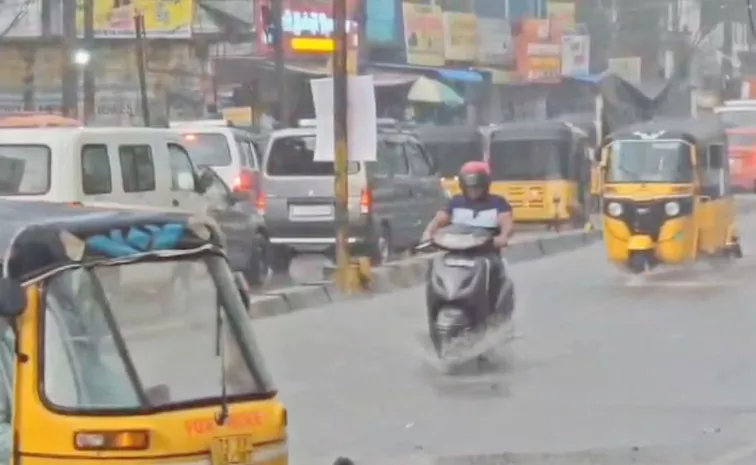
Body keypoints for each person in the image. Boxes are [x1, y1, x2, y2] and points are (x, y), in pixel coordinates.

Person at [422, 161, 513, 244]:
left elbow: (506, 222)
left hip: (487, 250)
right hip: (458, 249)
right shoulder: (456, 201)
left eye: (477, 188)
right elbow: (439, 219)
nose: (473, 191)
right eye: (469, 188)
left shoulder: (498, 202)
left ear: (485, 186)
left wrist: (503, 236)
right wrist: (428, 233)